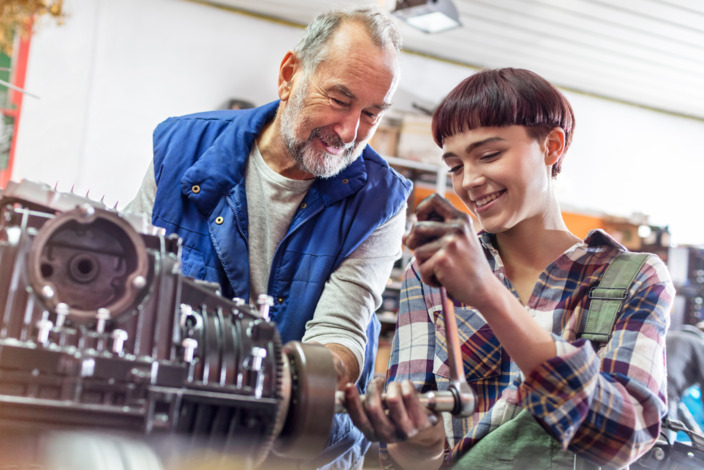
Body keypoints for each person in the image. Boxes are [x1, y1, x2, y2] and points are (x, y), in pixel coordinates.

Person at [126, 6, 412, 469]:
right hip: (165, 432)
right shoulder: (180, 149)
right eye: (340, 100)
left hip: (300, 450)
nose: (349, 132)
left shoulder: (381, 201)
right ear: (289, 75)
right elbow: (131, 280)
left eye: (372, 114)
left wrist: (271, 384)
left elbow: (340, 335)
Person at [344, 68, 674, 469]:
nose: (470, 181)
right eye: (456, 166)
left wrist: (487, 293)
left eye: (489, 155)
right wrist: (415, 442)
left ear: (552, 146)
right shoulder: (429, 271)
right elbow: (410, 457)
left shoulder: (634, 277)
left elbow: (625, 435)